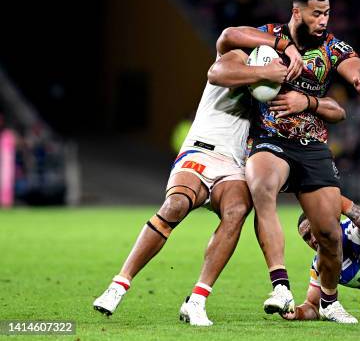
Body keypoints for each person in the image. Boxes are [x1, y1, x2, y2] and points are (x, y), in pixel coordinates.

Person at [92, 24, 344, 326]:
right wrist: (268, 65)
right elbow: (218, 67)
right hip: (200, 149)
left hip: (235, 163)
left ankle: (197, 300)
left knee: (237, 211)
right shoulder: (234, 58)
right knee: (175, 206)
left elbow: (332, 109)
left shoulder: (276, 87)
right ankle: (118, 285)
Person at [213, 0, 360, 323]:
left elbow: (353, 67)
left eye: (327, 13)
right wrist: (271, 58)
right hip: (269, 139)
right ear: (297, 11)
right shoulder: (268, 36)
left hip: (312, 146)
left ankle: (329, 302)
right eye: (317, 13)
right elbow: (229, 36)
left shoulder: (332, 48)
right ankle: (280, 285)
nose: (323, 20)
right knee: (262, 186)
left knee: (329, 234)